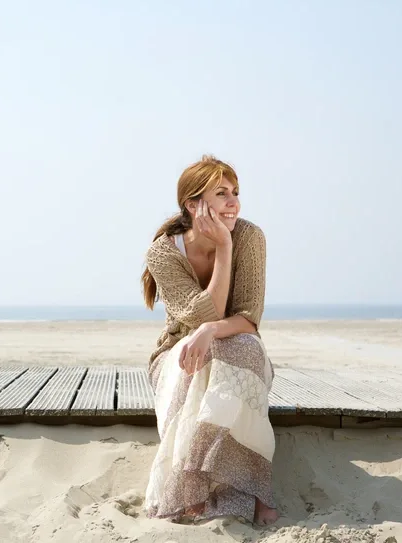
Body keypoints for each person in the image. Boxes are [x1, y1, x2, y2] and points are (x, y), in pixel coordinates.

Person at [141, 155, 278, 525]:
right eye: (222, 193)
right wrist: (223, 248)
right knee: (195, 359)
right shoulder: (162, 253)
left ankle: (253, 486)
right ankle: (193, 486)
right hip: (179, 350)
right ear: (193, 204)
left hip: (235, 341)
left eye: (235, 192)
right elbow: (206, 314)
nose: (234, 202)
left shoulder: (250, 236)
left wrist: (209, 331)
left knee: (242, 350)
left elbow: (248, 319)